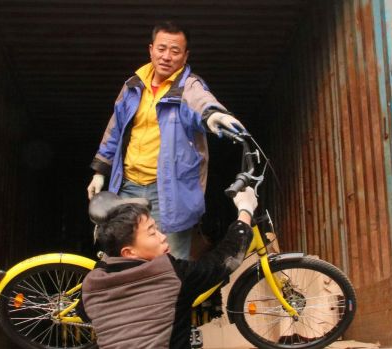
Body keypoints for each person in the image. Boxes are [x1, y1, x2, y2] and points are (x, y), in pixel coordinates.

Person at [86, 21, 245, 260]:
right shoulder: (132, 87)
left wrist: (214, 115)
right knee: (125, 258)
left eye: (175, 51)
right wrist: (100, 171)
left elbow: (200, 101)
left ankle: (172, 299)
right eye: (161, 49)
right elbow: (114, 131)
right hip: (127, 186)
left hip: (169, 192)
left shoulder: (188, 87)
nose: (166, 56)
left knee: (171, 262)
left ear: (185, 55)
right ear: (151, 49)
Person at [81, 187, 257, 349]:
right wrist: (245, 210)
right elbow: (221, 261)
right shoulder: (169, 275)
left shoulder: (91, 286)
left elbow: (84, 314)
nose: (162, 237)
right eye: (152, 232)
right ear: (129, 252)